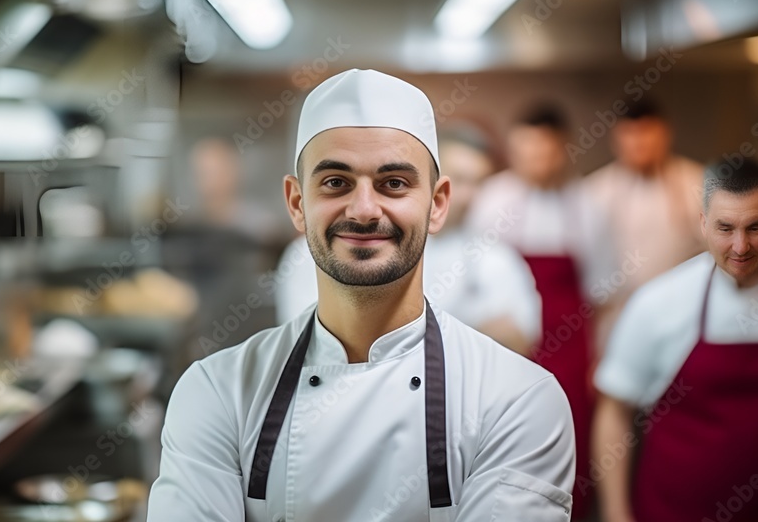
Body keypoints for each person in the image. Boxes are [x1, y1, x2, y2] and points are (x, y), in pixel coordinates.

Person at [148, 69, 576, 521]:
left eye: (394, 183)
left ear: (437, 204)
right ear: (297, 204)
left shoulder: (517, 401)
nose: (365, 210)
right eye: (336, 182)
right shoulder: (216, 393)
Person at [592, 159, 758, 522]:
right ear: (702, 224)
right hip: (670, 512)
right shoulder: (655, 304)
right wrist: (617, 516)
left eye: (755, 227)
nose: (741, 246)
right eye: (725, 228)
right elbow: (614, 411)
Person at [273, 124, 542, 355]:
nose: (469, 195)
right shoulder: (313, 252)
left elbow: (518, 340)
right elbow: (312, 341)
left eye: (478, 182)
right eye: (461, 179)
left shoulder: (496, 257)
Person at [466, 105, 616, 520]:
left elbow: (603, 292)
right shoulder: (491, 199)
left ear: (563, 149)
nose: (535, 159)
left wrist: (600, 357)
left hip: (571, 345)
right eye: (525, 150)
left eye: (544, 150)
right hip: (506, 340)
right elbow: (473, 280)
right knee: (506, 429)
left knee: (570, 431)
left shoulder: (587, 206)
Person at [583, 100, 704, 346]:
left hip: (683, 316)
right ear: (616, 138)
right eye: (630, 133)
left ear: (665, 133)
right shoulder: (594, 192)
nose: (639, 142)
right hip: (616, 319)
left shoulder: (699, 183)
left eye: (647, 132)